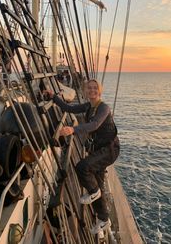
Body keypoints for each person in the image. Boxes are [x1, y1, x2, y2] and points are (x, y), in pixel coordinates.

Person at [45, 79, 120, 234]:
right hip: (98, 149)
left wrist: (73, 129)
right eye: (89, 88)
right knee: (97, 185)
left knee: (82, 167)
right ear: (85, 91)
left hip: (109, 150)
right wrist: (54, 97)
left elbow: (94, 125)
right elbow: (68, 108)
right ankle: (103, 219)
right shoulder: (88, 107)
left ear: (99, 91)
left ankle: (93, 191)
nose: (92, 90)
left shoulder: (103, 108)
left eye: (95, 88)